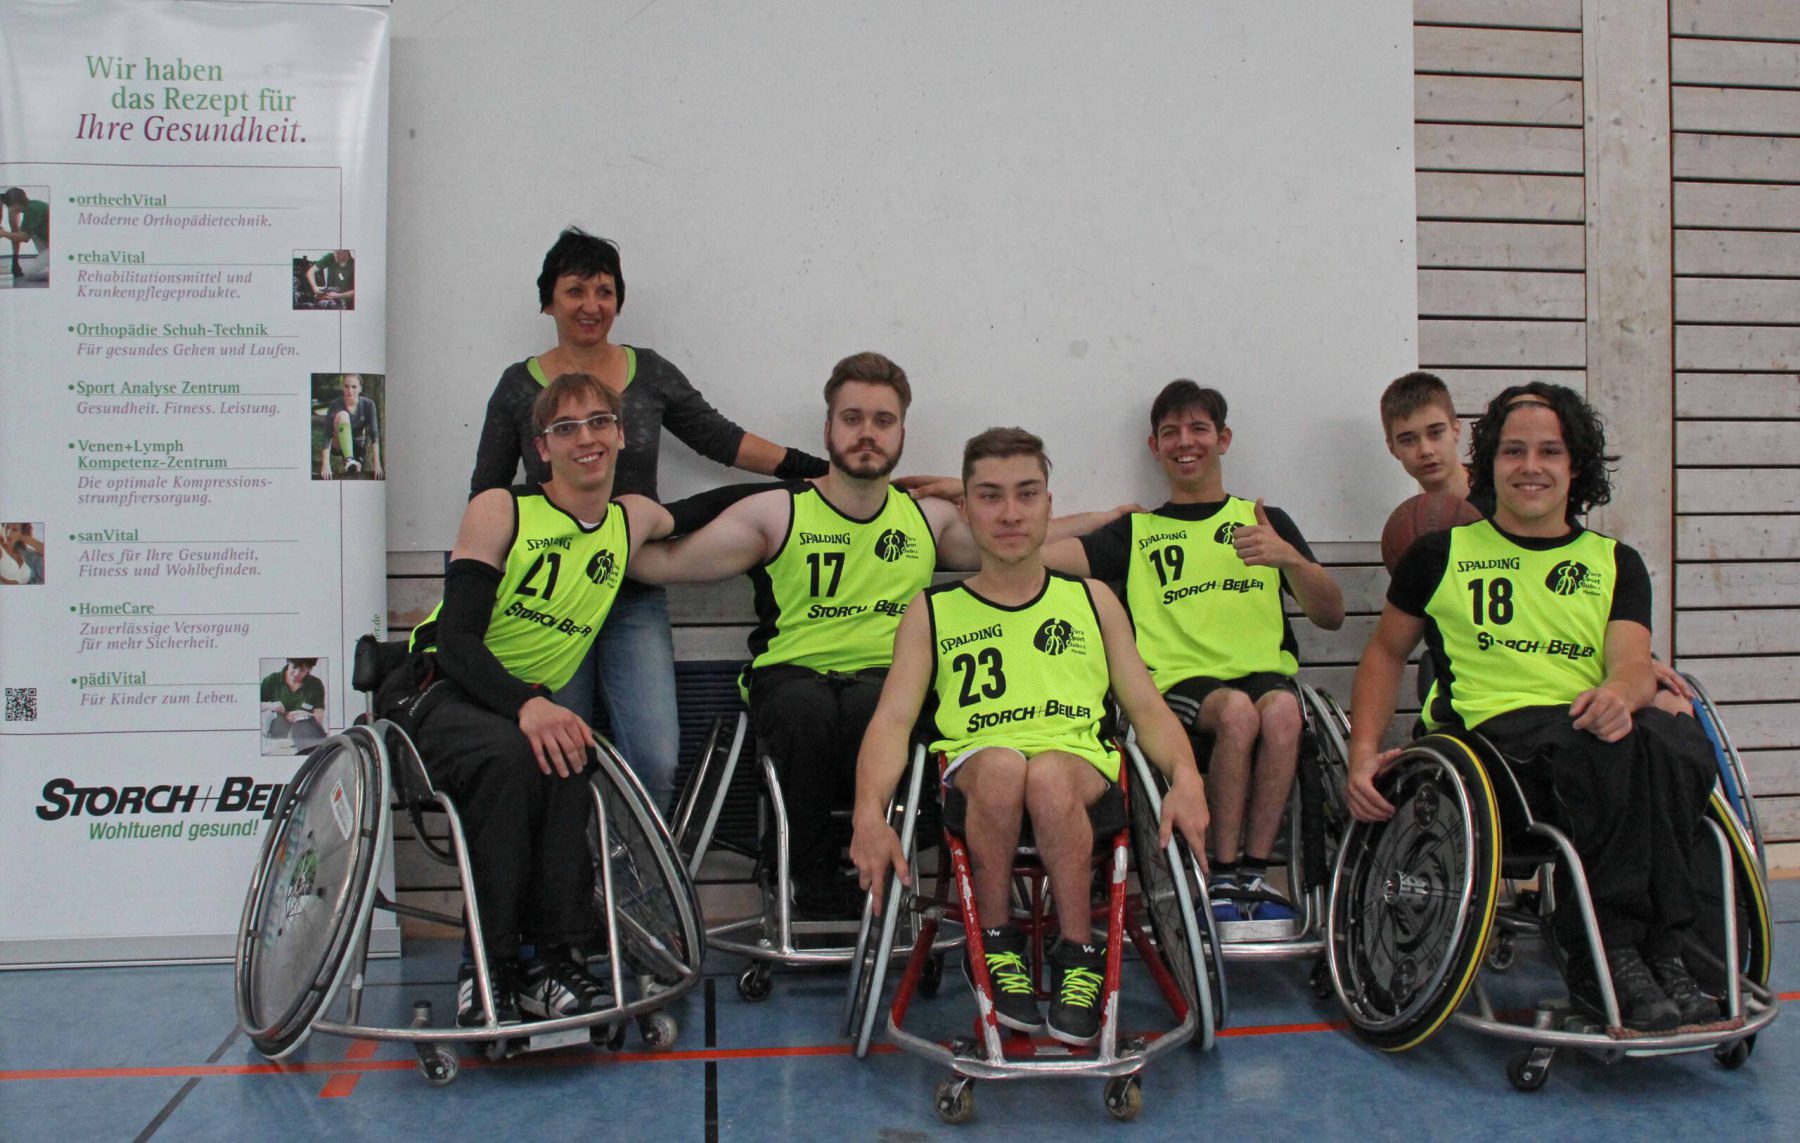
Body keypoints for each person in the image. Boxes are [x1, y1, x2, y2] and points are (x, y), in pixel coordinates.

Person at [629, 353, 1126, 917]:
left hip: (888, 682)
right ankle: (807, 878)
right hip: (794, 679)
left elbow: (1021, 538)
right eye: (853, 418)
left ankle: (891, 870)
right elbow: (668, 563)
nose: (868, 433)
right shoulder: (777, 512)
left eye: (883, 421)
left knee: (892, 713)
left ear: (901, 435)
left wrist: (1102, 519)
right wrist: (593, 536)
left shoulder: (927, 519)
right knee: (806, 712)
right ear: (828, 430)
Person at [1347, 381, 1722, 1033]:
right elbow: (1384, 653)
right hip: (1491, 743)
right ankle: (1608, 955)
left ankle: (1662, 953)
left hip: (1588, 726)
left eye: (1550, 451)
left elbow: (1632, 666)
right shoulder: (1440, 554)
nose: (1531, 466)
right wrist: (1361, 753)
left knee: (1678, 740)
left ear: (1576, 465)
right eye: (1513, 450)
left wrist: (1620, 695)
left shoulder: (1616, 562)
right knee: (1606, 750)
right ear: (1490, 462)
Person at [850, 427, 1210, 1045]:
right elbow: (890, 723)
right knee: (1000, 765)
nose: (1010, 513)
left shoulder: (1094, 600)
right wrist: (867, 813)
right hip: (976, 778)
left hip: (1079, 779)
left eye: (1026, 494)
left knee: (1044, 772)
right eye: (990, 496)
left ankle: (1080, 952)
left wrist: (1187, 779)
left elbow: (1148, 710)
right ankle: (996, 943)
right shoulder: (931, 611)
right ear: (967, 510)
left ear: (1048, 505)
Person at [468, 228, 831, 815]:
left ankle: (639, 874)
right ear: (548, 301)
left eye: (605, 291)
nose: (591, 305)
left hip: (633, 593)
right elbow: (486, 494)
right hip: (548, 605)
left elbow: (721, 439)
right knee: (560, 759)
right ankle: (575, 872)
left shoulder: (650, 372)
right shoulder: (518, 386)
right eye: (575, 290)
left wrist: (822, 472)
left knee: (656, 759)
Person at [380, 371, 674, 1027]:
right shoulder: (502, 508)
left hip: (515, 711)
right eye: (565, 428)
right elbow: (456, 642)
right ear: (542, 447)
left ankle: (554, 961)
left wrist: (814, 481)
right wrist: (527, 704)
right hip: (435, 691)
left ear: (620, 435)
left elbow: (716, 510)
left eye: (598, 422)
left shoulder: (624, 523)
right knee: (522, 750)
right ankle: (488, 968)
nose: (585, 438)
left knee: (568, 750)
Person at [1042, 381, 1343, 921]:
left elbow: (1331, 615)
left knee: (1282, 711)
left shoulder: (1265, 521)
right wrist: (1096, 519)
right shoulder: (1136, 531)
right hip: (1176, 687)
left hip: (1263, 677)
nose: (1186, 441)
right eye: (1171, 432)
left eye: (1199, 428)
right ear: (1154, 447)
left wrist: (1291, 561)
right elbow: (1032, 554)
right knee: (1237, 712)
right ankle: (1222, 878)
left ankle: (1254, 873)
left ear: (1223, 439)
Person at [1378, 370, 1691, 714]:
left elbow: (1560, 588)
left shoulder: (1521, 496)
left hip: (1566, 664)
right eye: (1408, 439)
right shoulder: (1421, 535)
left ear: (1456, 430)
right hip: (1487, 680)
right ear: (1391, 447)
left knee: (1673, 704)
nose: (1425, 450)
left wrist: (1633, 669)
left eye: (1435, 433)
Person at [317, 373, 383, 480]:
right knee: (343, 415)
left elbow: (374, 434)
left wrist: (377, 464)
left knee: (355, 474)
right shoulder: (335, 404)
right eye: (346, 386)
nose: (350, 390)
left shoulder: (369, 404)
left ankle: (351, 463)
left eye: (354, 387)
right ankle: (349, 460)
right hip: (337, 443)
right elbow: (327, 435)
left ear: (360, 388)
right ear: (342, 387)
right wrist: (325, 464)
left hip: (357, 444)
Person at [259, 658, 326, 748]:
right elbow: (252, 708)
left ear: (309, 669)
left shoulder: (315, 684)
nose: (296, 673)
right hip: (277, 735)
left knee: (304, 726)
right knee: (278, 721)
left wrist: (306, 715)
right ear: (288, 663)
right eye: (294, 667)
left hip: (304, 734)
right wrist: (270, 705)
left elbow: (319, 719)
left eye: (302, 670)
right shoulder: (271, 680)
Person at [0, 187, 49, 282]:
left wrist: (4, 233)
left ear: (15, 204)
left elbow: (24, 238)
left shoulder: (33, 211)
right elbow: (24, 234)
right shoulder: (33, 206)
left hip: (57, 248)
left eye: (10, 207)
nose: (11, 210)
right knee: (33, 233)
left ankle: (57, 271)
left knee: (29, 274)